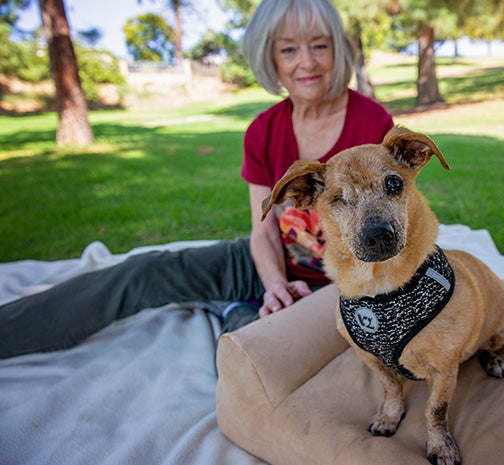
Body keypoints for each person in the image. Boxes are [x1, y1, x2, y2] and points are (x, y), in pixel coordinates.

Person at [0, 0, 394, 359]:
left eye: (319, 46)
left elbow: (391, 232)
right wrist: (273, 283)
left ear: (337, 50)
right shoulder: (262, 130)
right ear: (270, 58)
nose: (306, 62)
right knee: (143, 270)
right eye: (288, 49)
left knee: (254, 353)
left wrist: (301, 301)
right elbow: (264, 232)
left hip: (340, 286)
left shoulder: (372, 122)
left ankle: (238, 313)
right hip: (269, 260)